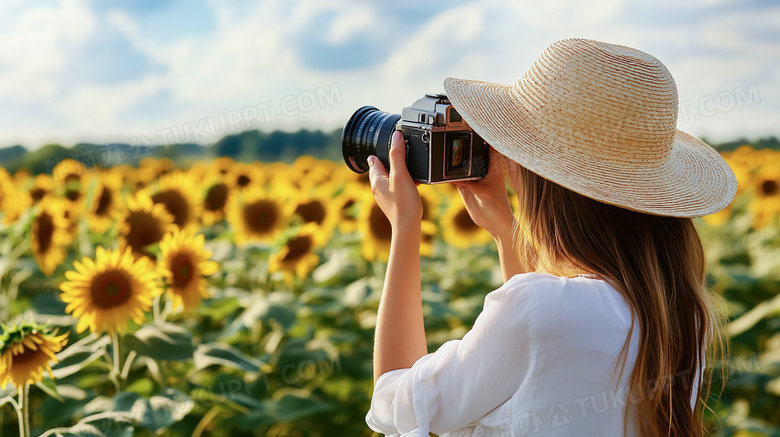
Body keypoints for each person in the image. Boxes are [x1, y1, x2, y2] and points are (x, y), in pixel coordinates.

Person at [364, 38, 736, 437]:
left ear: (550, 185)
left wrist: (404, 227)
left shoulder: (535, 308)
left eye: (520, 156)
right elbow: (542, 366)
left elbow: (394, 402)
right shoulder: (682, 315)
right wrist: (509, 235)